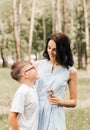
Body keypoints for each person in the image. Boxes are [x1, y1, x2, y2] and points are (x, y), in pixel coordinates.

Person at [35, 32, 78, 130]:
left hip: (55, 113)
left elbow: (74, 101)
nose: (51, 52)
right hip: (36, 111)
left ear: (63, 50)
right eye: (49, 48)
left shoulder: (71, 71)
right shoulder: (37, 65)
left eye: (55, 49)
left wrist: (60, 101)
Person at [8, 61, 39, 130]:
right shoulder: (22, 92)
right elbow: (12, 116)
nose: (36, 69)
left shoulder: (32, 88)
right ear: (25, 74)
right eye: (33, 68)